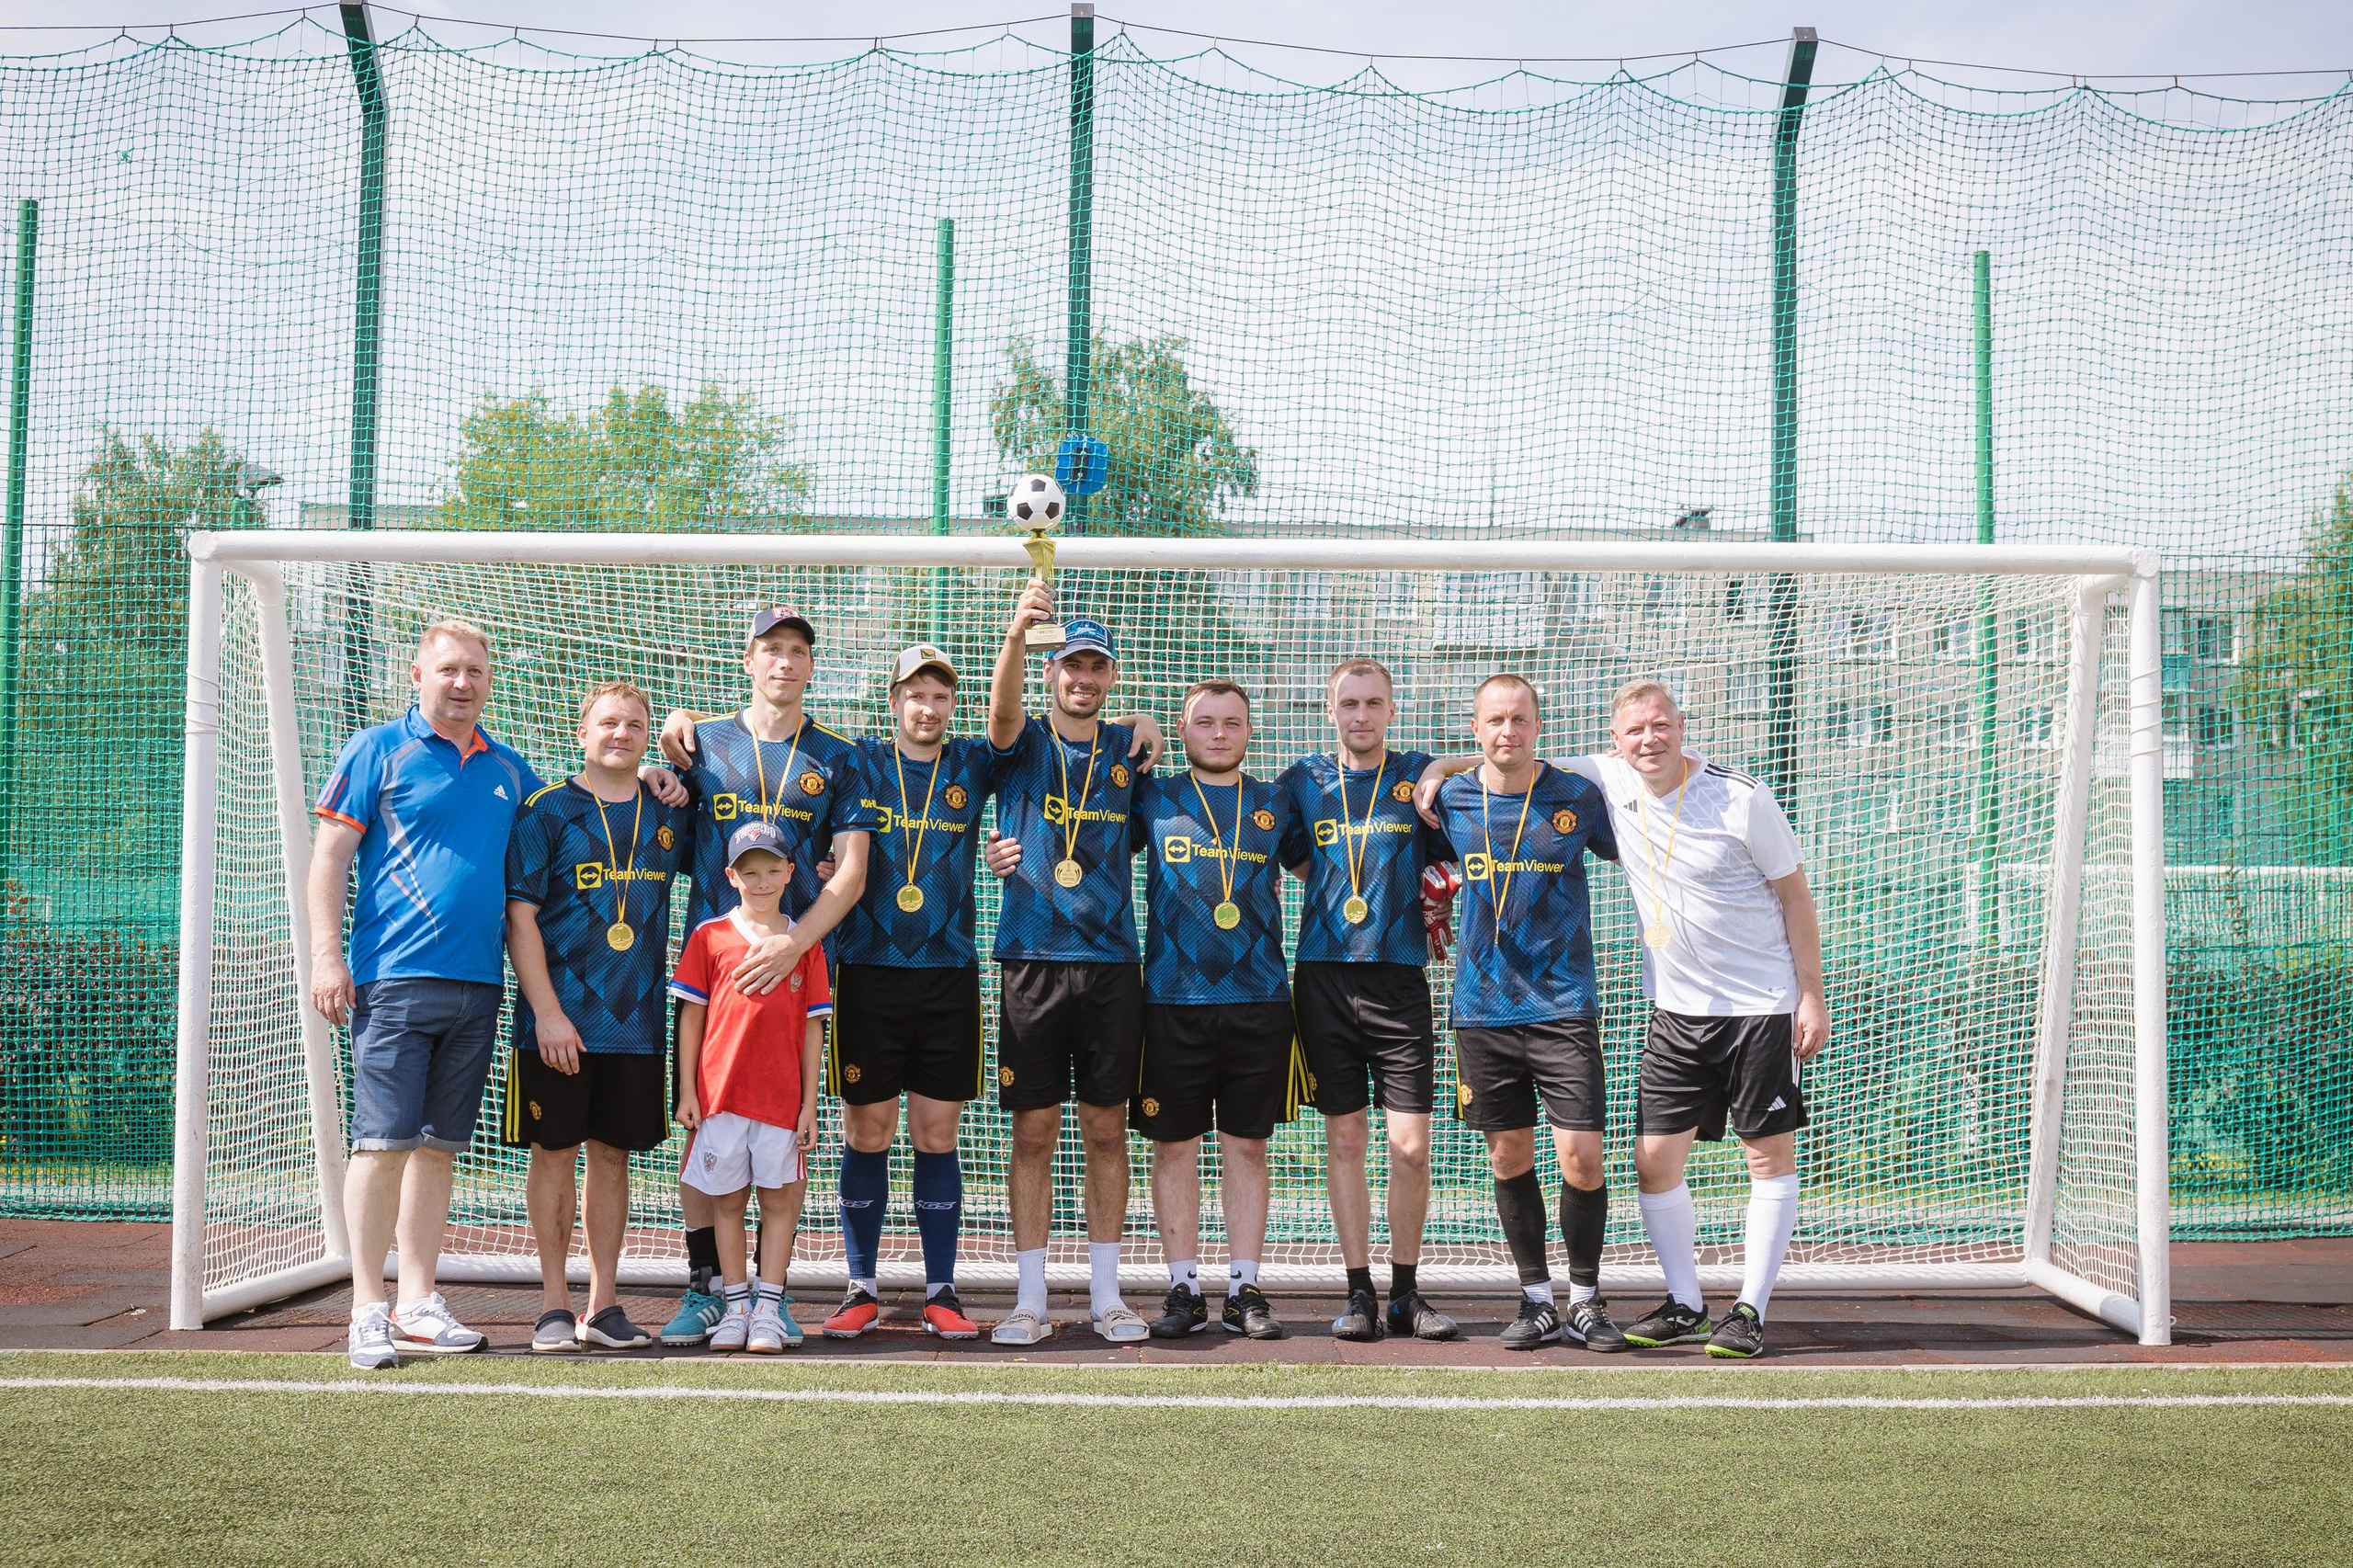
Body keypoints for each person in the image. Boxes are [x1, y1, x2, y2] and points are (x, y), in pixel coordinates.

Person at [309, 621, 544, 1369]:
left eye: (475, 670)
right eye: (448, 669)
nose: (462, 682)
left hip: (479, 985)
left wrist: (663, 770)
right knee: (381, 1147)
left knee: (438, 1152)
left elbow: (576, 814)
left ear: (489, 680)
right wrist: (325, 956)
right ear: (418, 675)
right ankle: (365, 1310)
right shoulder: (378, 750)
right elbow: (329, 862)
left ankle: (415, 1300)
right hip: (394, 980)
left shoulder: (512, 769)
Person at [1569, 681, 1827, 1360]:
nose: (1648, 740)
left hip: (1761, 1007)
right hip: (1677, 1015)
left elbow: (1796, 898)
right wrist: (1438, 770)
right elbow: (1519, 760)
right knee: (1653, 1163)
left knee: (1765, 1156)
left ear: (1682, 727)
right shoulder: (1609, 779)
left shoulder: (1743, 798)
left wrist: (1811, 994)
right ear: (1616, 739)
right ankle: (1686, 1303)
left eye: (1660, 726)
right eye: (1634, 732)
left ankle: (1750, 1312)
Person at [649, 606, 875, 1345]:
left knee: (786, 1137)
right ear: (748, 659)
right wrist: (660, 755)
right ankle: (707, 1287)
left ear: (812, 666)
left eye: (797, 651)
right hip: (711, 971)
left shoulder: (840, 757)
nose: (784, 662)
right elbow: (662, 803)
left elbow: (850, 875)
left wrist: (792, 946)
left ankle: (767, 1299)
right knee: (701, 1132)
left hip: (797, 974)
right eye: (771, 649)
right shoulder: (699, 743)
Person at [1421, 674, 1626, 1352]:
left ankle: (1587, 1300)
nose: (1507, 731)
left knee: (1582, 1157)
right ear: (1475, 728)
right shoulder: (1449, 798)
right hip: (1481, 1010)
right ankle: (1536, 1300)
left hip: (1565, 1004)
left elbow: (1642, 837)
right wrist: (1441, 765)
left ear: (1539, 725)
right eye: (1495, 720)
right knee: (1508, 1155)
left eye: (1520, 719)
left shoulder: (1577, 796)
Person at [982, 585, 1155, 1345]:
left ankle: (1108, 1296)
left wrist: (1151, 723)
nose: (1082, 678)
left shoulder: (1129, 749)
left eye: (1096, 667)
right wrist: (1017, 635)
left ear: (1110, 676)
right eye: (1070, 665)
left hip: (1113, 962)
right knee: (1033, 1130)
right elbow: (999, 713)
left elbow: (1167, 743)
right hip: (1031, 957)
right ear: (1052, 670)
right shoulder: (1021, 742)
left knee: (1107, 1129)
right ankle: (1028, 1299)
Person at [819, 645, 1006, 1343]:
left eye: (940, 696)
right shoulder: (857, 760)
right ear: (893, 701)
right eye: (915, 695)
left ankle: (941, 1290)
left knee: (936, 1132)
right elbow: (783, 746)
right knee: (867, 1130)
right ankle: (860, 1285)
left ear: (952, 704)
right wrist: (675, 734)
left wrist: (1140, 720)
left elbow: (1024, 724)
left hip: (949, 974)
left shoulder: (972, 762)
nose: (928, 708)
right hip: (866, 973)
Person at [1275, 658, 1459, 1342]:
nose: (1360, 716)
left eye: (1373, 703)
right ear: (1331, 712)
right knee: (1346, 1139)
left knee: (1410, 1148)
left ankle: (1408, 1293)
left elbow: (1494, 762)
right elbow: (1294, 857)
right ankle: (1358, 1293)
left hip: (1400, 980)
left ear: (1390, 709)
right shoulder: (1303, 781)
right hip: (1324, 977)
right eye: (1348, 704)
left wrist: (1442, 766)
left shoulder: (1416, 773)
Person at [503, 681, 688, 1352]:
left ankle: (604, 1305)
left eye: (635, 725)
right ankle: (554, 1307)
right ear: (581, 734)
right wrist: (547, 1014)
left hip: (635, 1021)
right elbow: (518, 916)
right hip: (556, 1023)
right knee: (553, 1155)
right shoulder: (545, 810)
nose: (622, 734)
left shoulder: (669, 813)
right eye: (608, 723)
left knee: (613, 1159)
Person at [1126, 681, 1301, 1340]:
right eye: (1205, 722)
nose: (1219, 734)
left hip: (1259, 999)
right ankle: (1182, 1288)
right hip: (1171, 1000)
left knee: (1247, 1146)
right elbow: (1092, 744)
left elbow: (1323, 869)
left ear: (1249, 732)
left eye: (1232, 723)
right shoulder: (1154, 796)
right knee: (1174, 1147)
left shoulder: (1276, 802)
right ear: (1183, 728)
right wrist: (1136, 718)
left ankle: (1244, 1288)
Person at [670, 821, 831, 1353]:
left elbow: (814, 1029)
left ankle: (768, 1307)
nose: (760, 881)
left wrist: (810, 1103)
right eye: (749, 872)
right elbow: (690, 1019)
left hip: (781, 1102)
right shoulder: (708, 936)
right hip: (720, 1099)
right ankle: (735, 1306)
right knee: (727, 1202)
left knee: (779, 1202)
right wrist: (689, 1092)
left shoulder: (803, 943)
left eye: (771, 870)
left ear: (790, 872)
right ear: (731, 877)